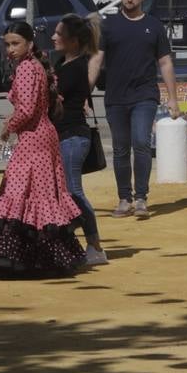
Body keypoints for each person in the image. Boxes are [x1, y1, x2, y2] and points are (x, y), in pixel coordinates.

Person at [0, 22, 84, 275]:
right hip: (42, 136)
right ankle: (44, 257)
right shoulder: (36, 66)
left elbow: (27, 110)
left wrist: (8, 127)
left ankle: (23, 257)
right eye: (7, 44)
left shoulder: (28, 68)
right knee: (38, 194)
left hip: (33, 138)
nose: (10, 49)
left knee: (19, 191)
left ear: (29, 44)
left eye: (15, 43)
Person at [88, 0, 184, 219]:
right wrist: (83, 95)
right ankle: (124, 199)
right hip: (115, 97)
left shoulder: (153, 26)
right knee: (120, 149)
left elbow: (165, 63)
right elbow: (96, 60)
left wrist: (173, 98)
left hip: (145, 95)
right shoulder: (107, 25)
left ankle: (141, 198)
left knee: (141, 142)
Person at [51, 14, 105, 265]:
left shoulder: (75, 68)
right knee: (65, 191)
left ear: (73, 41)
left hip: (73, 136)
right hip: (65, 136)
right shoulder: (64, 63)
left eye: (59, 34)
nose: (53, 37)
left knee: (73, 191)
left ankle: (94, 245)